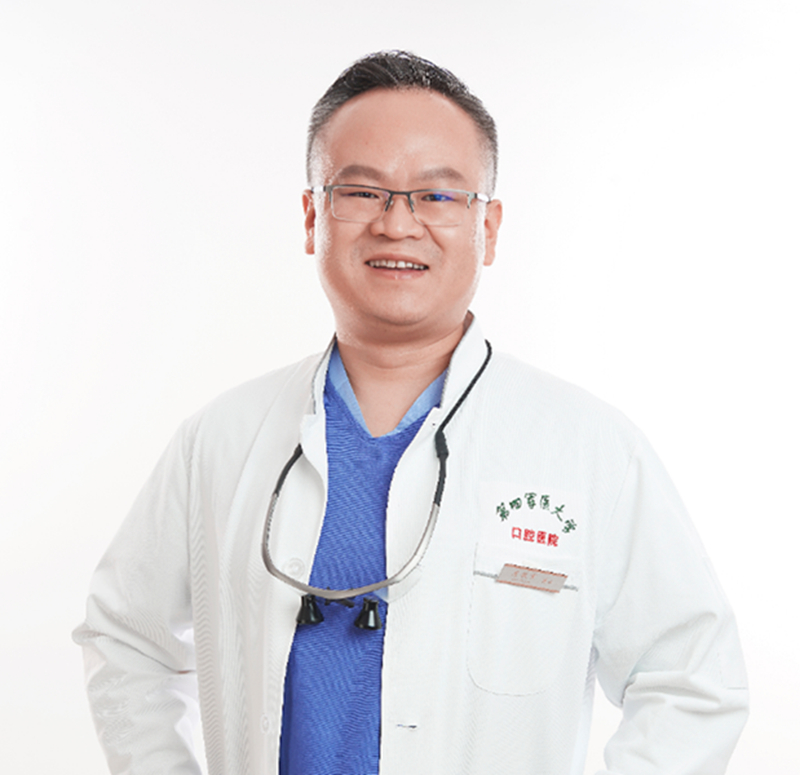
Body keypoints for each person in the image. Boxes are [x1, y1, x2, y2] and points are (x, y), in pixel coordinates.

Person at [74, 51, 748, 775]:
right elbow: (125, 635)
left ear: (489, 227)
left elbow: (693, 680)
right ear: (313, 217)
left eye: (437, 195)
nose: (398, 224)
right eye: (362, 191)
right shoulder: (221, 438)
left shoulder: (589, 448)